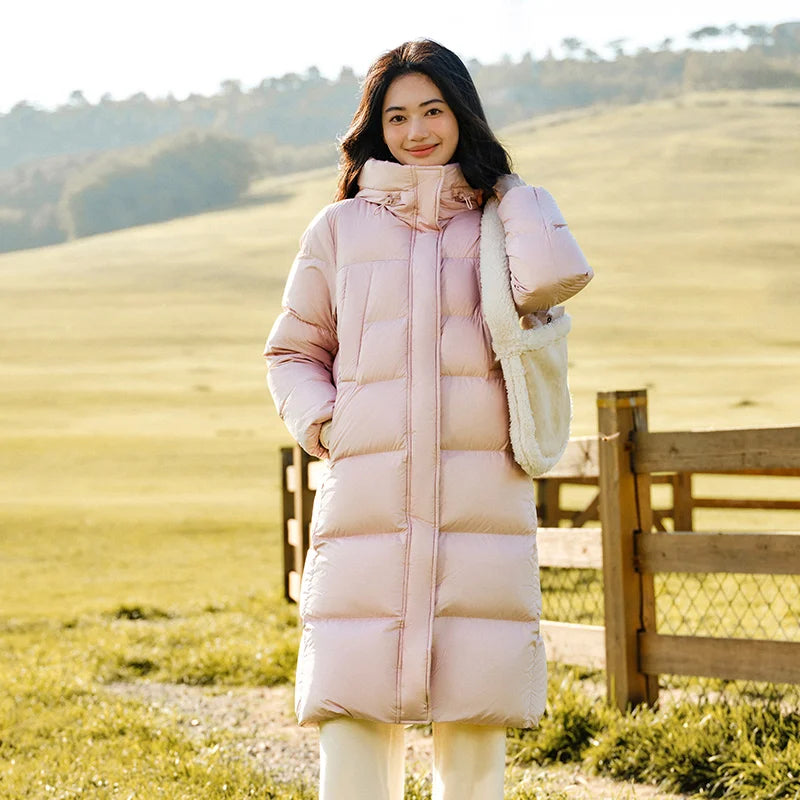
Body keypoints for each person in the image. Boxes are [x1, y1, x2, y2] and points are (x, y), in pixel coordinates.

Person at [264, 39, 592, 800]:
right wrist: (325, 426)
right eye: (398, 115)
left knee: (474, 731)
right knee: (352, 726)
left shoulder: (503, 224)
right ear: (375, 127)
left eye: (433, 111)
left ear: (461, 114)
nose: (416, 131)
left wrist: (510, 190)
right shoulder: (337, 230)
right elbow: (292, 351)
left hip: (479, 508)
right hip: (366, 508)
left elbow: (555, 279)